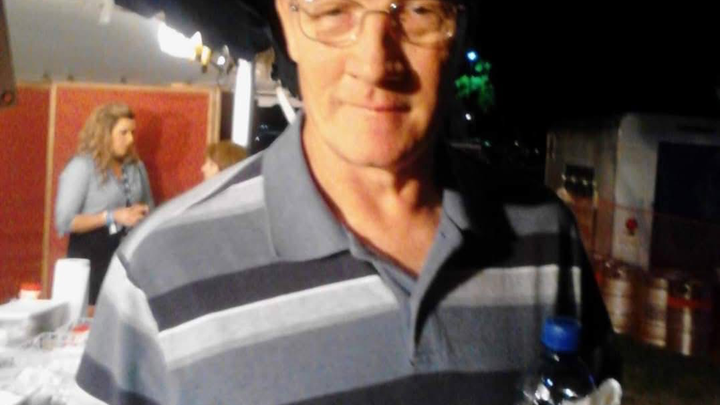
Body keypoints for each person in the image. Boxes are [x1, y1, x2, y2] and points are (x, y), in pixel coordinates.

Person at [76, 1, 619, 404]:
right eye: (335, 10)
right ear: (289, 24)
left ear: (457, 29)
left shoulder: (548, 241)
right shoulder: (157, 273)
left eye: (418, 10)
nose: (374, 61)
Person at [55, 102, 153, 306]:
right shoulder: (82, 167)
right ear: (104, 134)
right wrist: (111, 216)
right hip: (92, 256)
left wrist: (143, 214)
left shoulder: (136, 167)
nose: (130, 139)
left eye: (132, 132)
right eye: (123, 133)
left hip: (128, 259)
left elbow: (149, 206)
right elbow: (64, 222)